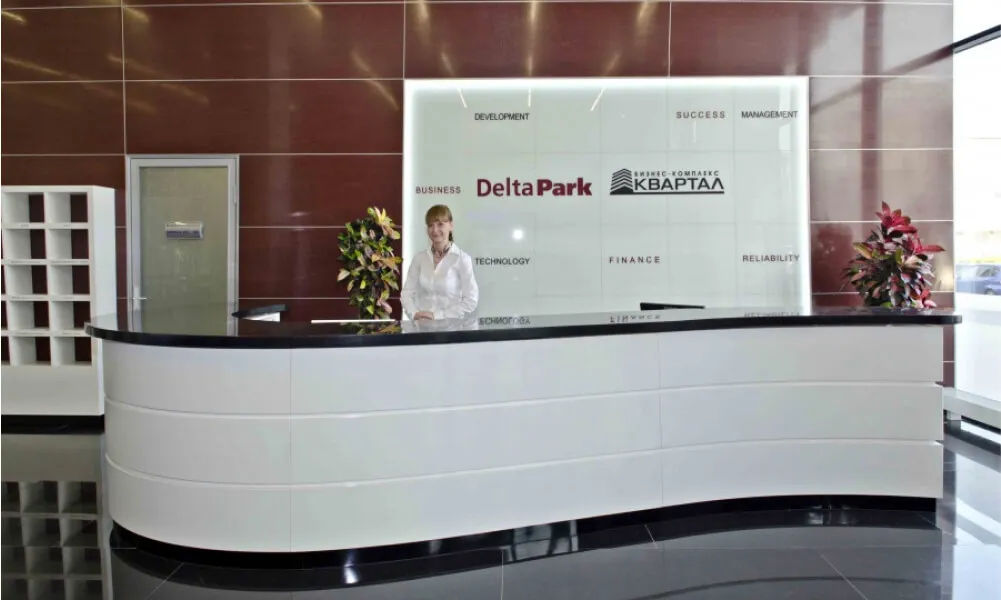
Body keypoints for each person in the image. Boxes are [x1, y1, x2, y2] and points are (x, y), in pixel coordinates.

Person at [401, 204, 479, 320]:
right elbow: (406, 294)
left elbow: (471, 300)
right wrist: (414, 313)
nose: (434, 230)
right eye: (430, 225)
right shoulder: (419, 258)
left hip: (452, 327)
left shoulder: (462, 259)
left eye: (440, 224)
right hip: (422, 326)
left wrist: (436, 316)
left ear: (451, 225)